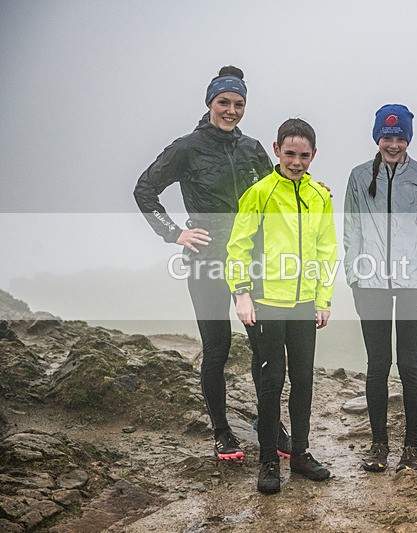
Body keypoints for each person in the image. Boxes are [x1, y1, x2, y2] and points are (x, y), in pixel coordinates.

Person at [134, 66, 291, 463]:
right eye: (224, 102)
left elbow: (277, 191)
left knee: (265, 348)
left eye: (239, 104)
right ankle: (222, 433)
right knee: (217, 348)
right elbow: (145, 189)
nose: (232, 110)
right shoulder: (187, 148)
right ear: (210, 103)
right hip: (206, 262)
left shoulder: (253, 148)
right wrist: (174, 233)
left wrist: (307, 187)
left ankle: (269, 425)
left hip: (252, 261)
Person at [226, 118, 336, 494]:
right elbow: (238, 246)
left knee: (304, 380)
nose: (297, 161)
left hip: (305, 304)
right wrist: (242, 293)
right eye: (290, 153)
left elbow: (326, 250)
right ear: (276, 150)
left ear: (314, 155)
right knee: (271, 383)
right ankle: (269, 461)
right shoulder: (260, 193)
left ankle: (301, 454)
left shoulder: (320, 197)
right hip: (267, 303)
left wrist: (323, 300)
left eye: (304, 155)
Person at [343, 104, 417, 473]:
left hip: (414, 285)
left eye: (399, 137)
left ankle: (413, 448)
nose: (393, 143)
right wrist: (354, 275)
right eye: (387, 137)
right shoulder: (358, 176)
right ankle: (378, 445)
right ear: (377, 138)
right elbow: (352, 229)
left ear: (408, 139)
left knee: (409, 365)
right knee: (377, 365)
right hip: (369, 284)